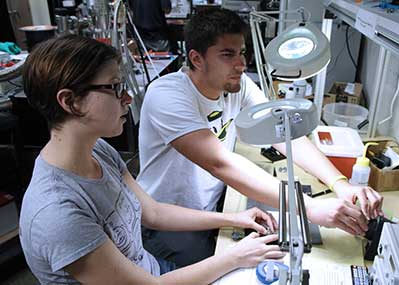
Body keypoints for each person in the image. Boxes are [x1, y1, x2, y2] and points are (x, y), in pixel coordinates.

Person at [19, 35, 284, 284]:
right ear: (71, 102)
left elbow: (154, 212)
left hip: (154, 271)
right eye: (115, 87)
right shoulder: (57, 213)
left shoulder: (98, 150)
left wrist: (235, 218)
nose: (127, 97)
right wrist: (234, 256)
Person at [137, 8, 384, 267]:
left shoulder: (237, 86)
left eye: (241, 53)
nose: (241, 64)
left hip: (210, 209)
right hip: (166, 222)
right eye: (227, 54)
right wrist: (309, 208)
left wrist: (340, 184)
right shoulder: (167, 95)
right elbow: (219, 163)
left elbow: (282, 132)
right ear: (197, 59)